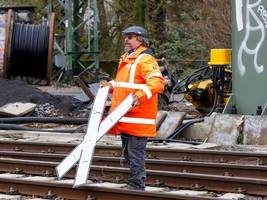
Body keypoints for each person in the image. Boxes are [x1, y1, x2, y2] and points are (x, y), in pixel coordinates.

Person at [101, 25, 165, 190]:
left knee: (135, 156)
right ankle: (134, 183)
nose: (126, 40)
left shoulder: (144, 59)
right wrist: (111, 85)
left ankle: (137, 186)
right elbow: (127, 85)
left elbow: (157, 82)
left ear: (140, 39)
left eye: (130, 37)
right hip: (126, 117)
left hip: (137, 119)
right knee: (130, 155)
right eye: (125, 36)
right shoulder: (127, 58)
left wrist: (140, 96)